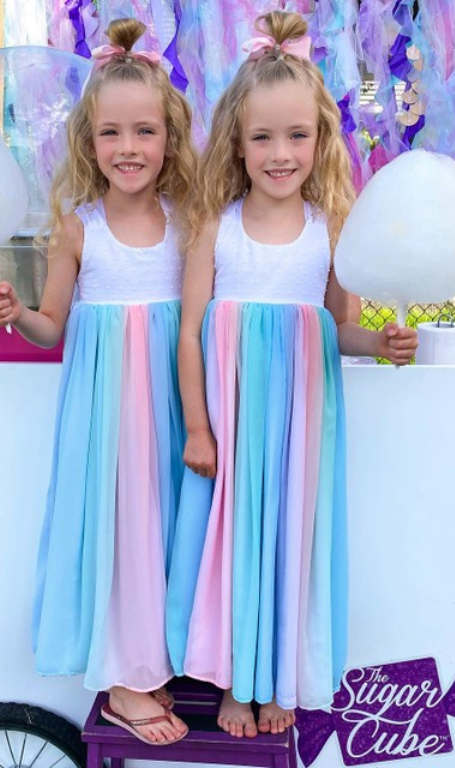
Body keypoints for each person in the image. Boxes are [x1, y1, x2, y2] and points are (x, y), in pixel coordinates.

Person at [165, 11, 417, 740]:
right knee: (231, 552)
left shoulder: (329, 228)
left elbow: (338, 327)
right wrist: (199, 425)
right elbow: (189, 331)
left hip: (302, 427)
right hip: (231, 426)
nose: (281, 153)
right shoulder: (218, 225)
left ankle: (277, 676)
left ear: (321, 139)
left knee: (289, 551)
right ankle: (235, 683)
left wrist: (382, 341)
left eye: (297, 135)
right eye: (262, 137)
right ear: (237, 145)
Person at [0, 18, 196, 747]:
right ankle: (126, 678)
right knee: (123, 531)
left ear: (169, 137)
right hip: (109, 412)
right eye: (111, 134)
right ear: (88, 141)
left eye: (144, 131)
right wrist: (14, 315)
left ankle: (156, 659)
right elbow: (53, 327)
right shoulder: (77, 227)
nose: (128, 149)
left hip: (175, 400)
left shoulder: (188, 220)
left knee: (171, 527)